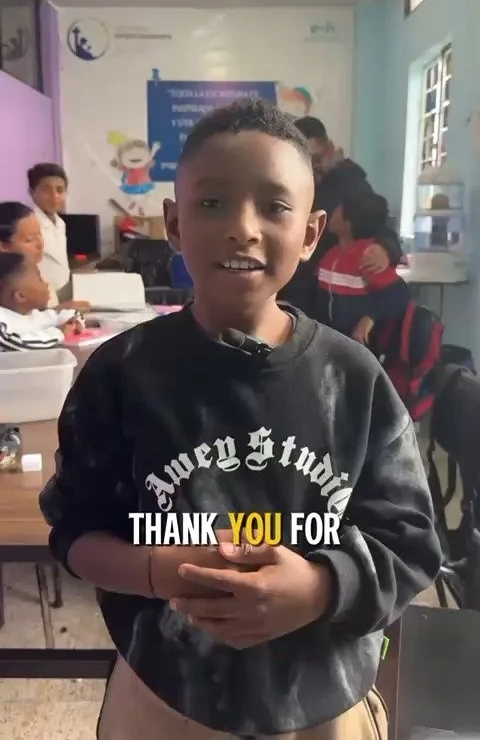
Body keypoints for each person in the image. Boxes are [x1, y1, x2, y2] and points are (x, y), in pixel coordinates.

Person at [39, 99, 440, 740]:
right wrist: (159, 570)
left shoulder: (354, 379)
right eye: (212, 203)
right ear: (174, 223)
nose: (242, 228)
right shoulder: (121, 375)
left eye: (274, 206)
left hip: (322, 699)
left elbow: (411, 543)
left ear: (310, 234)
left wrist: (320, 587)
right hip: (166, 697)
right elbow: (76, 533)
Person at [279, 116, 402, 317]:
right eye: (303, 161)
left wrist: (385, 248)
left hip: (329, 300)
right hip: (289, 293)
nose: (311, 168)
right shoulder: (284, 182)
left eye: (316, 160)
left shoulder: (350, 184)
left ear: (330, 149)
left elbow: (380, 225)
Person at [316, 181, 410, 345]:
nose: (331, 212)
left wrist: (370, 317)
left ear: (348, 223)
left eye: (337, 210)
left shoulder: (368, 256)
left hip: (360, 344)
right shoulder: (331, 254)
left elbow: (398, 293)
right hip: (330, 338)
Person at [0, 201, 90, 313]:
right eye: (29, 239)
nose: (40, 244)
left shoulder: (35, 271)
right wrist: (55, 314)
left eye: (40, 234)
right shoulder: (9, 287)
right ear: (3, 246)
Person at [0, 252, 82, 351]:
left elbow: (63, 315)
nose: (46, 283)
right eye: (40, 279)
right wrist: (59, 333)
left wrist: (75, 321)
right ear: (21, 296)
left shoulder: (36, 315)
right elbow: (18, 343)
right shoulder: (3, 320)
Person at [27, 163, 71, 299]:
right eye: (46, 190)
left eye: (60, 190)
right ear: (31, 191)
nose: (54, 196)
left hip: (62, 293)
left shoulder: (60, 223)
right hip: (40, 299)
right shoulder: (27, 224)